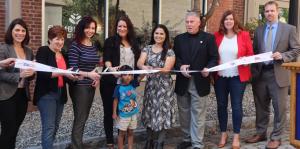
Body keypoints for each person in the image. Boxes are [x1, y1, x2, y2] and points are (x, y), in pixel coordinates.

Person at [245, 1, 300, 149]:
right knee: (261, 106)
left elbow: (296, 49)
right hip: (260, 74)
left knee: (279, 107)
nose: (269, 13)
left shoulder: (289, 29)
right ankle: (261, 132)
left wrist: (282, 55)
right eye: (267, 11)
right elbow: (255, 51)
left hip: (278, 73)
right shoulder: (259, 30)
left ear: (278, 12)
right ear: (264, 13)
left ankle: (276, 137)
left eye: (272, 11)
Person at [174, 11, 219, 149]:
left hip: (200, 81)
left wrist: (209, 68)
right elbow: (174, 58)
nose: (189, 24)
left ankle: (197, 143)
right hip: (182, 81)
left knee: (198, 114)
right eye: (187, 22)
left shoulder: (209, 38)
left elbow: (214, 58)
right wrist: (180, 66)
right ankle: (187, 138)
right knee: (184, 113)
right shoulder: (179, 39)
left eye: (192, 22)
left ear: (199, 23)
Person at [213, 10, 253, 149]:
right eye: (226, 19)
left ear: (235, 21)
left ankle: (236, 135)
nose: (228, 21)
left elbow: (250, 54)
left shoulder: (244, 35)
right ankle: (223, 134)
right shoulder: (217, 36)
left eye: (231, 19)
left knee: (236, 106)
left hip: (238, 76)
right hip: (220, 77)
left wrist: (246, 60)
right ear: (223, 22)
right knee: (221, 105)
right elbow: (212, 55)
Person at [100, 15, 140, 149]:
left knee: (123, 111)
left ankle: (121, 140)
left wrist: (138, 78)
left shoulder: (134, 43)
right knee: (109, 111)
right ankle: (110, 141)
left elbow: (139, 63)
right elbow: (107, 60)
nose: (122, 28)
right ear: (116, 28)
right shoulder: (110, 41)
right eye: (119, 26)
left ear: (128, 28)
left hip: (127, 84)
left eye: (124, 26)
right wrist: (112, 70)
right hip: (111, 82)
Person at [34, 26, 77, 149]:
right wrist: (63, 73)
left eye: (62, 39)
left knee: (56, 126)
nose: (60, 42)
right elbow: (42, 73)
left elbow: (66, 75)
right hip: (47, 94)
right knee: (49, 127)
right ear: (50, 39)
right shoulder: (43, 51)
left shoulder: (64, 54)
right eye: (57, 39)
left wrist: (74, 78)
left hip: (60, 93)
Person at [137, 24, 176, 149]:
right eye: (156, 33)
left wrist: (152, 68)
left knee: (163, 114)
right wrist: (144, 67)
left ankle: (160, 142)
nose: (158, 36)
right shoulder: (147, 49)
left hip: (164, 88)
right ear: (153, 34)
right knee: (150, 112)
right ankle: (149, 141)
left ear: (165, 36)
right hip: (151, 86)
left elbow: (166, 69)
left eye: (161, 34)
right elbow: (139, 63)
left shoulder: (169, 51)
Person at [0, 18, 35, 149]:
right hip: (6, 95)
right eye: (17, 30)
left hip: (22, 95)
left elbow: (30, 75)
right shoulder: (3, 48)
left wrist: (32, 74)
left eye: (23, 30)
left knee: (14, 130)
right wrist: (18, 75)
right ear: (11, 31)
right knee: (8, 130)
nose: (20, 33)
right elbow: (1, 73)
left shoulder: (28, 51)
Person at [68, 16, 101, 149]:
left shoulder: (92, 45)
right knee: (80, 117)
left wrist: (97, 78)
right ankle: (76, 145)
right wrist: (89, 75)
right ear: (82, 28)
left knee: (84, 116)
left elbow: (96, 65)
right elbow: (73, 69)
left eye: (93, 28)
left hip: (90, 85)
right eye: (87, 27)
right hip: (79, 86)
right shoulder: (75, 45)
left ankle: (78, 142)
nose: (90, 30)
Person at [112, 65, 139, 149]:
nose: (128, 77)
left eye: (130, 74)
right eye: (125, 74)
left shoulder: (133, 84)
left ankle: (130, 147)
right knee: (122, 134)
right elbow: (115, 100)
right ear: (121, 75)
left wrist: (147, 70)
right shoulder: (118, 88)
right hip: (123, 115)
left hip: (133, 114)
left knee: (131, 132)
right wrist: (114, 113)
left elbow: (141, 76)